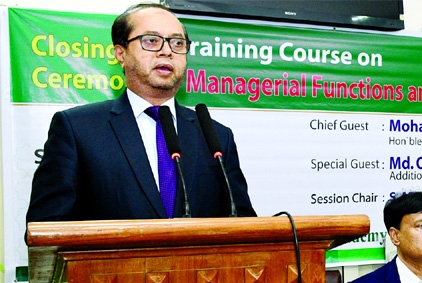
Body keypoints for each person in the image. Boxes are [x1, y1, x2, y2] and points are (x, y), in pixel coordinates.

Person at [26, 3, 255, 223]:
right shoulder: (77, 129)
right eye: (152, 41)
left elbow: (244, 224)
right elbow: (46, 227)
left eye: (177, 43)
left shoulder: (215, 136)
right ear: (120, 53)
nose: (166, 51)